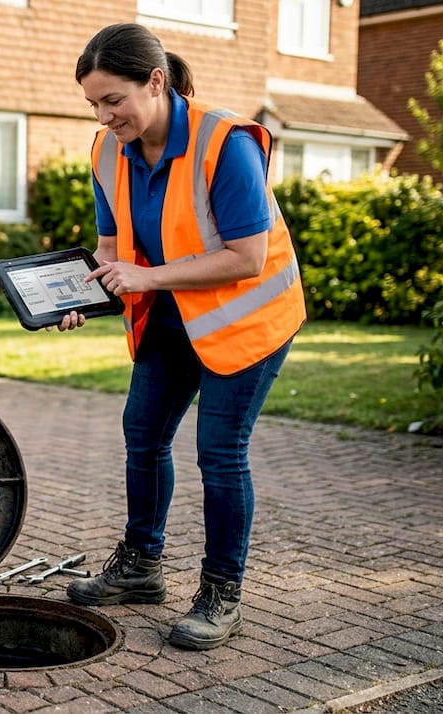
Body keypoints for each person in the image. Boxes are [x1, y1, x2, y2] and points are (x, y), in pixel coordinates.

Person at [54, 23, 307, 650]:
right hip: (171, 314)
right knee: (142, 433)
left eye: (115, 100)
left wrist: (149, 276)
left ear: (157, 82)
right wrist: (85, 294)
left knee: (219, 453)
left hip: (247, 319)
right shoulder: (107, 151)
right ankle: (141, 566)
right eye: (94, 103)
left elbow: (248, 257)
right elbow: (113, 252)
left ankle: (223, 595)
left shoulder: (227, 143)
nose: (105, 115)